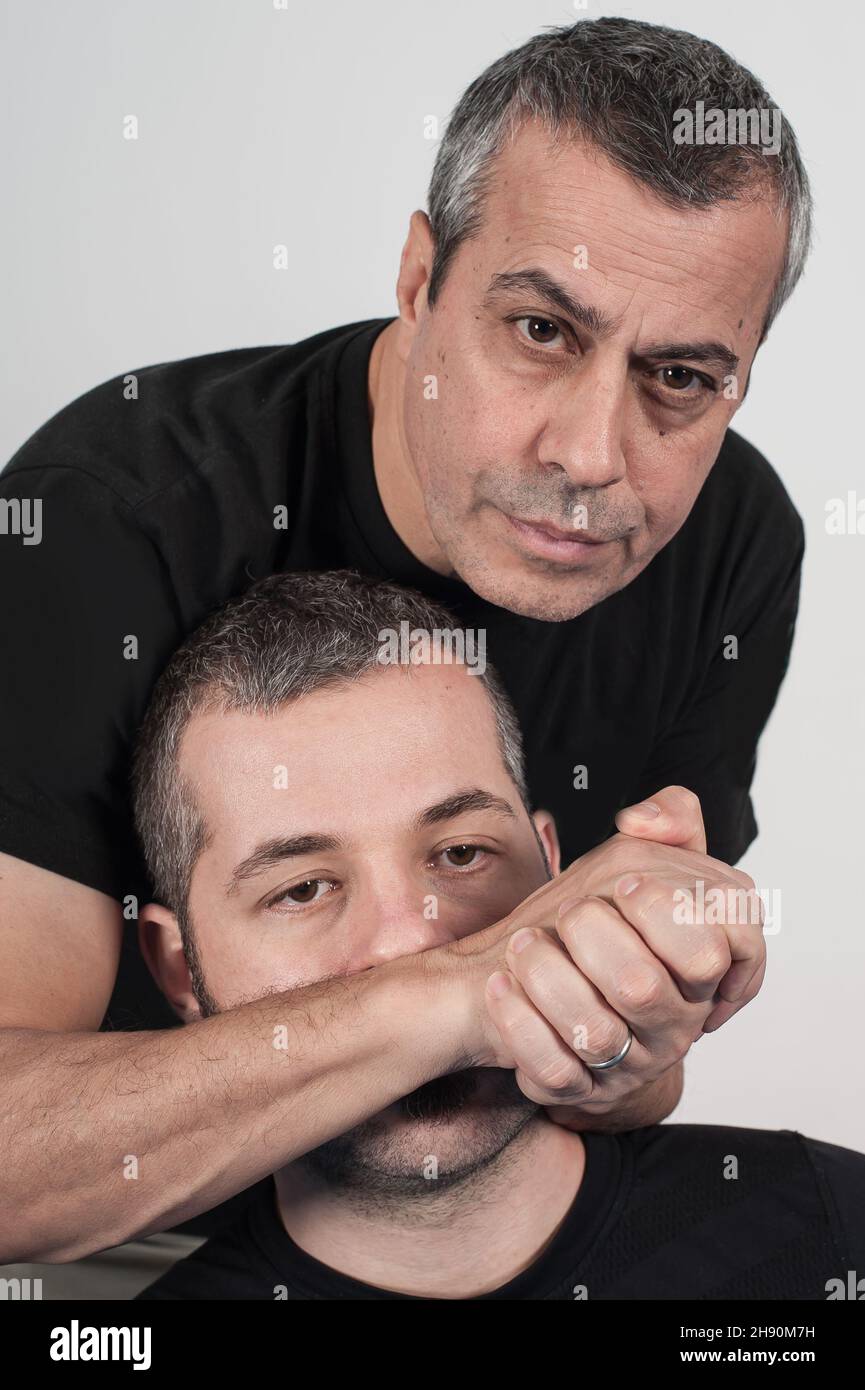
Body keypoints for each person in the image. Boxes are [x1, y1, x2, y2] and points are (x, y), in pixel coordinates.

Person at [0, 17, 805, 1271]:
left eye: (683, 377)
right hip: (143, 1231)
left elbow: (625, 1088)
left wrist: (634, 1019)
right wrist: (466, 989)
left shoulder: (733, 536)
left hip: (487, 1219)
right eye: (542, 331)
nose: (592, 459)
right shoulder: (112, 513)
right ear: (420, 278)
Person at [129, 572, 860, 1302]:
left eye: (460, 854)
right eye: (301, 889)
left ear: (550, 867)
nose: (409, 942)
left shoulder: (835, 1233)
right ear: (179, 971)